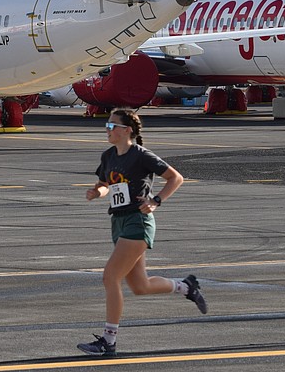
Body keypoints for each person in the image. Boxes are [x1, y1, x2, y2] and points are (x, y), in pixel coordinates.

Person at [77, 108, 206, 357]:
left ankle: (108, 341)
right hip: (118, 222)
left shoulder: (141, 156)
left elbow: (176, 178)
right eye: (107, 124)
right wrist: (97, 193)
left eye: (112, 125)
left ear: (127, 130)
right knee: (140, 286)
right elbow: (106, 185)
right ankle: (186, 287)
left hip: (138, 221)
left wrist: (156, 200)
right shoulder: (108, 156)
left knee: (110, 276)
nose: (108, 129)